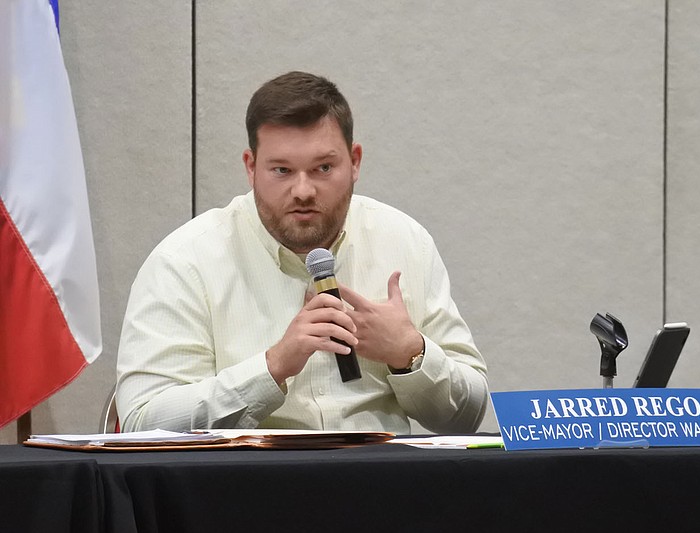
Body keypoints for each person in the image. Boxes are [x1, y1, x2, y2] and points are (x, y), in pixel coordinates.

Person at [116, 71, 488, 434]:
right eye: (282, 170)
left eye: (323, 167)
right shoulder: (186, 261)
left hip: (381, 483)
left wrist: (409, 352)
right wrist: (273, 366)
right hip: (246, 486)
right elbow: (143, 421)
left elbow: (467, 417)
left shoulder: (405, 241)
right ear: (251, 167)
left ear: (355, 161)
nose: (303, 191)